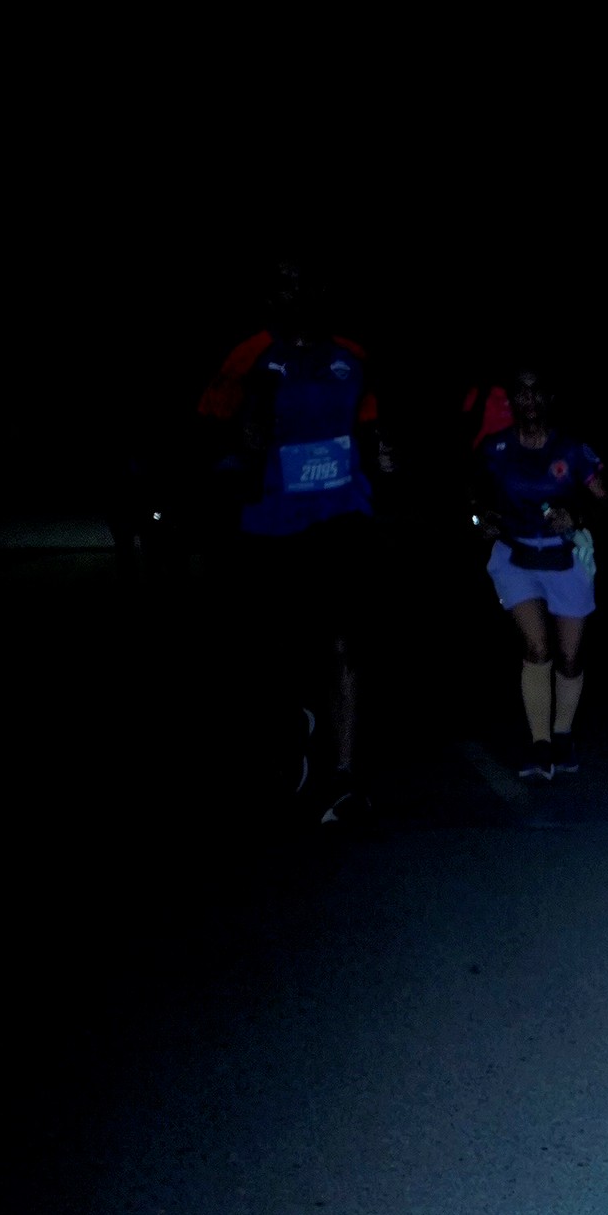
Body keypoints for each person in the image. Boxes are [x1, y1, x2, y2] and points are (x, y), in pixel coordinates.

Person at [199, 261, 389, 821]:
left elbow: (375, 426)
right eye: (287, 284)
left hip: (341, 511)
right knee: (276, 646)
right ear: (272, 297)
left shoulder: (353, 355)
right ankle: (293, 725)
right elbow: (208, 427)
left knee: (343, 641)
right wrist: (241, 440)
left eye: (308, 282)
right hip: (272, 519)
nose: (298, 292)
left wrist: (385, 458)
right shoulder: (250, 354)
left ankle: (344, 775)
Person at [475, 367, 606, 779]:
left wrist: (576, 516)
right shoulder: (495, 449)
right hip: (516, 557)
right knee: (536, 648)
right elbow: (473, 501)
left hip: (564, 556)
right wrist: (481, 520)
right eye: (521, 393)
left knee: (570, 656)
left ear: (549, 399)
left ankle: (562, 734)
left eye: (536, 393)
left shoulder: (571, 449)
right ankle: (540, 744)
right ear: (511, 401)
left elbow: (607, 500)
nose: (528, 401)